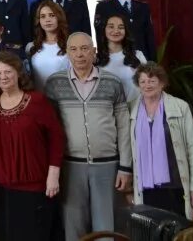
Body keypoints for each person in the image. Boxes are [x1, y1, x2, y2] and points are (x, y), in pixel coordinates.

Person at [44, 32, 132, 241]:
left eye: (85, 48)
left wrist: (125, 167)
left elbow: (124, 127)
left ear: (94, 52)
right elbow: (51, 130)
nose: (79, 54)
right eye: (73, 49)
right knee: (73, 228)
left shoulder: (112, 82)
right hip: (71, 167)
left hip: (108, 167)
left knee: (107, 229)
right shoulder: (54, 83)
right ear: (67, 53)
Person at [0, 50, 65, 241]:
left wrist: (53, 175)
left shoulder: (37, 101)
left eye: (8, 72)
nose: (4, 77)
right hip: (3, 188)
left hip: (36, 187)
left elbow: (57, 138)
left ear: (18, 73)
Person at [129, 63, 193, 219]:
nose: (147, 85)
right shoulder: (131, 109)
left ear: (162, 83)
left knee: (178, 232)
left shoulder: (180, 107)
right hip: (145, 188)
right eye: (142, 82)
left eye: (152, 81)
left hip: (175, 186)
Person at [96, 13, 147, 102]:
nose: (116, 31)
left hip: (136, 110)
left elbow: (148, 85)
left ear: (126, 31)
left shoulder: (138, 56)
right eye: (111, 27)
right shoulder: (96, 59)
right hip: (108, 111)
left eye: (121, 27)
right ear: (104, 30)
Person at [26, 0, 70, 92]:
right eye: (43, 16)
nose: (47, 20)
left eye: (52, 15)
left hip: (64, 99)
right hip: (39, 100)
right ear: (39, 21)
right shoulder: (31, 47)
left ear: (59, 17)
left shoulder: (70, 45)